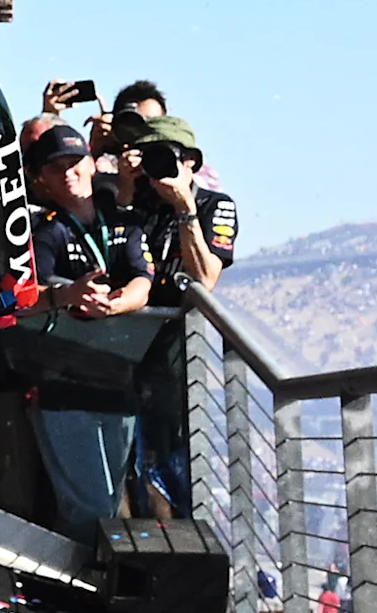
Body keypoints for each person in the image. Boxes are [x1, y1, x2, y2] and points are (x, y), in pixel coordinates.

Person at [103, 106, 238, 518]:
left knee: (170, 459)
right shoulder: (137, 206)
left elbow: (204, 279)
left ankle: (172, 537)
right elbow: (113, 256)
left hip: (177, 357)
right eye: (148, 157)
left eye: (165, 156)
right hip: (124, 351)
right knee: (124, 463)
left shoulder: (216, 205)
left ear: (190, 162)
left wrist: (184, 208)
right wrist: (126, 189)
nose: (156, 168)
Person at [26, 122, 149, 542]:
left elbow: (142, 280)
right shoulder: (45, 231)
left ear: (94, 164)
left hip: (118, 381)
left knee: (110, 504)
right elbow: (24, 298)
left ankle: (84, 597)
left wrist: (115, 305)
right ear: (42, 178)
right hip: (64, 387)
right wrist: (68, 294)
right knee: (87, 509)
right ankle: (71, 599)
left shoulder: (122, 220)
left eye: (76, 162)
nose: (68, 173)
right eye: (56, 167)